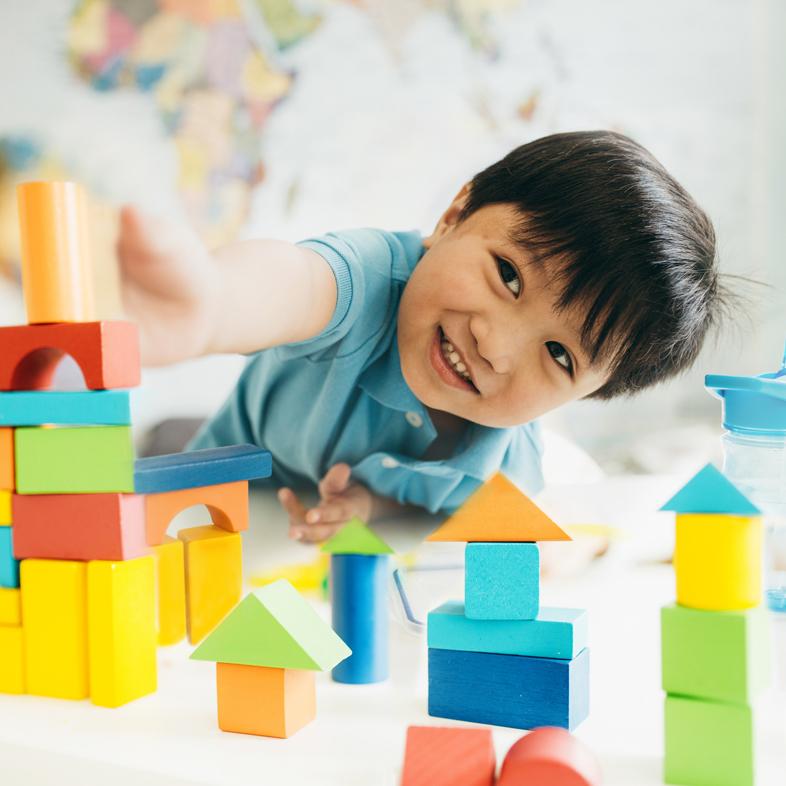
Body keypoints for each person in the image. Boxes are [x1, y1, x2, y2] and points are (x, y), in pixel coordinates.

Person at [118, 131, 728, 544]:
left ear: (585, 395)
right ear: (453, 216)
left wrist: (368, 504)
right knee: (151, 461)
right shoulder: (372, 280)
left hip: (305, 508)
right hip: (233, 456)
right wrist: (213, 304)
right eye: (508, 275)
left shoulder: (505, 470)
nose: (495, 346)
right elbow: (295, 283)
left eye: (559, 354)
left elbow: (434, 501)